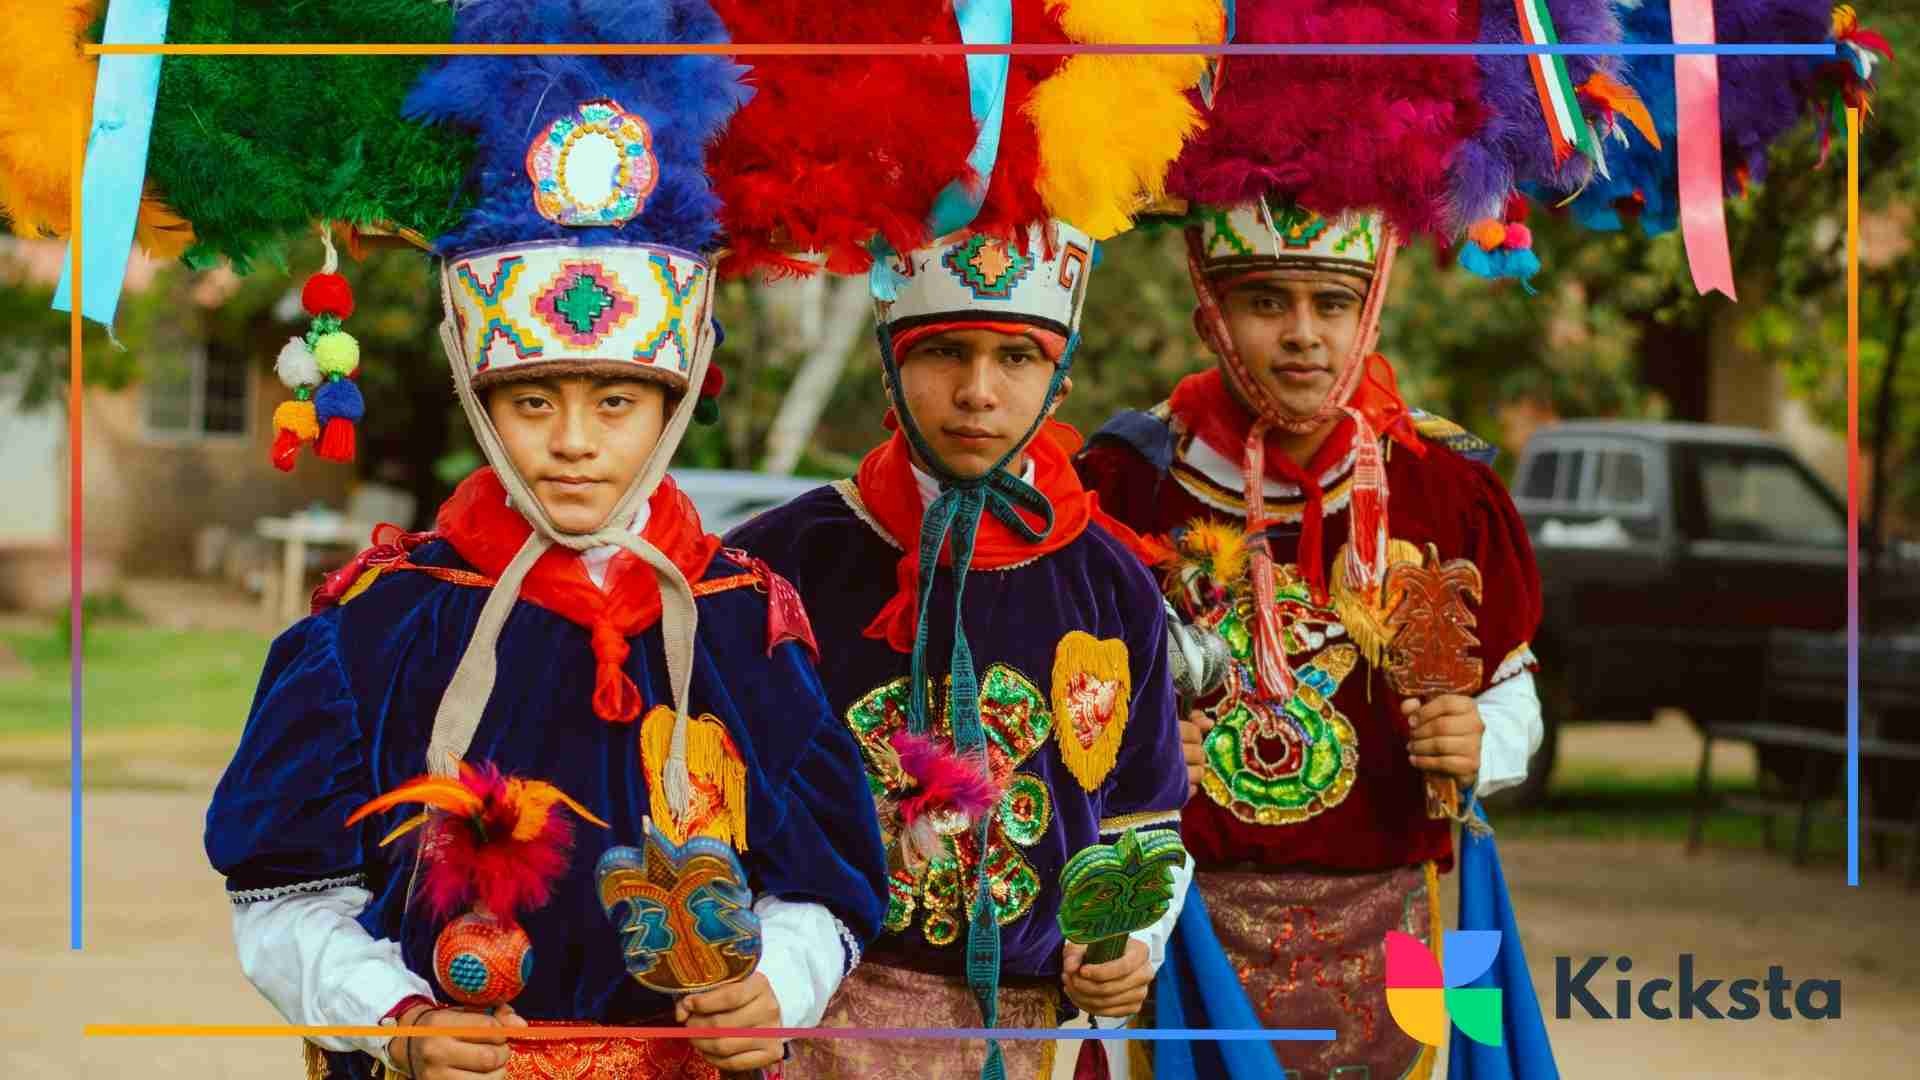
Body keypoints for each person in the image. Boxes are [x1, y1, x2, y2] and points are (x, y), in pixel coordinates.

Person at [201, 5, 886, 1076]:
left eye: (616, 400)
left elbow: (829, 885)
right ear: (477, 397)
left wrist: (777, 985)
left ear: (674, 400)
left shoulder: (746, 619)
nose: (572, 444)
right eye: (530, 402)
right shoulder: (378, 626)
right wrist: (401, 1016)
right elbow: (283, 895)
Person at [1076, 196, 1545, 1080]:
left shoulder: (1445, 490)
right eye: (1266, 303)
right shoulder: (1123, 485)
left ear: (1369, 308)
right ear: (1209, 310)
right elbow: (1061, 698)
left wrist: (1485, 739)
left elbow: (1511, 690)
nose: (1303, 336)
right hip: (1183, 919)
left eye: (1331, 303)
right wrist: (1124, 750)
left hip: (1396, 905)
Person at [728, 221, 1189, 1080]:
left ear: (1060, 384)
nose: (977, 391)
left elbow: (1144, 812)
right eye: (944, 351)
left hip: (1029, 1031)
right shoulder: (780, 562)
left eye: (1016, 358)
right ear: (888, 366)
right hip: (804, 1018)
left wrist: (1133, 944)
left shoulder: (1111, 580)